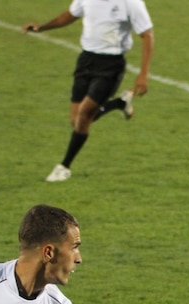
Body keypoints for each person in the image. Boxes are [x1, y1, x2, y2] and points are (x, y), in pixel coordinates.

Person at [22, 0, 155, 182]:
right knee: (76, 120)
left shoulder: (130, 2)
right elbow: (70, 14)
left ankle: (64, 167)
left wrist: (143, 74)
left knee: (84, 115)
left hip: (111, 65)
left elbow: (147, 34)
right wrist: (41, 28)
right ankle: (120, 103)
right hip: (86, 60)